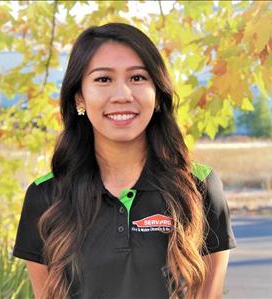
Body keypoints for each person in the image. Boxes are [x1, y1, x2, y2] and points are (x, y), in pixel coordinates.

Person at [13, 23, 236, 299]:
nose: (122, 95)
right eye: (103, 79)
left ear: (157, 94)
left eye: (138, 78)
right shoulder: (45, 196)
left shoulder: (198, 186)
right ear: (79, 97)